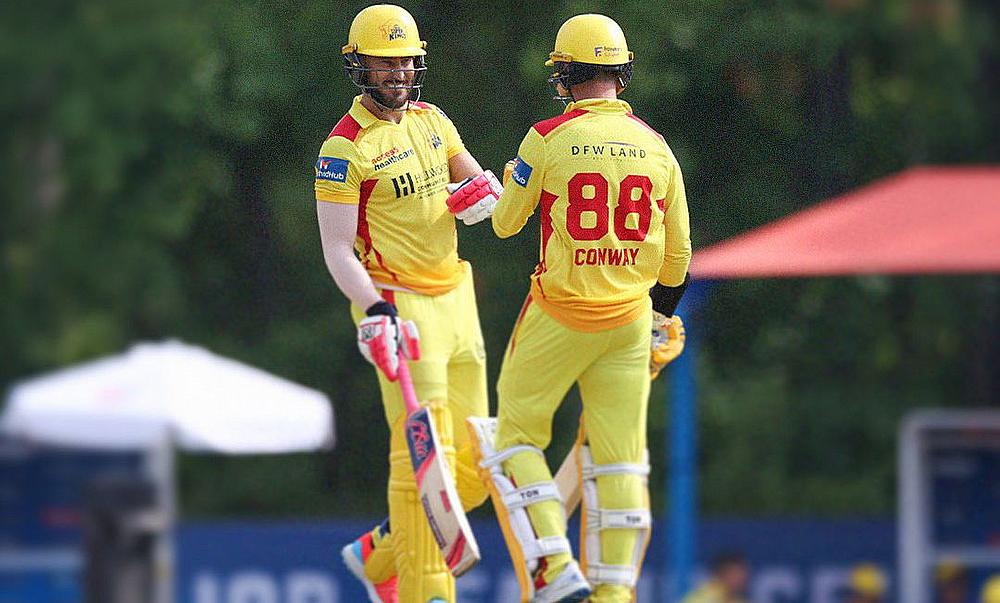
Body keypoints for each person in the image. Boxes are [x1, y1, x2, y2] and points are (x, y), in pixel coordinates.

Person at [471, 13, 691, 603]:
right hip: (629, 321)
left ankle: (553, 565)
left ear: (565, 74)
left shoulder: (546, 137)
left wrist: (507, 181)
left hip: (560, 314)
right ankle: (615, 593)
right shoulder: (657, 147)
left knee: (513, 436)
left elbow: (505, 223)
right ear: (621, 73)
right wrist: (660, 316)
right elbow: (678, 260)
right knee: (622, 462)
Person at [314, 4, 502, 602]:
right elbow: (337, 250)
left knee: (479, 465)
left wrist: (484, 196)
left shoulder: (433, 120)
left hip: (457, 299)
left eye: (405, 61)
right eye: (384, 62)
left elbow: (476, 182)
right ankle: (424, 591)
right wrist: (374, 309)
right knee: (425, 462)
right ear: (359, 66)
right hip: (399, 304)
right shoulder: (344, 149)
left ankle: (380, 555)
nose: (397, 72)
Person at [680, 552, 750, 603]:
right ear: (721, 574)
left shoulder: (739, 600)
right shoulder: (704, 597)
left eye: (743, 574)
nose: (741, 579)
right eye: (735, 574)